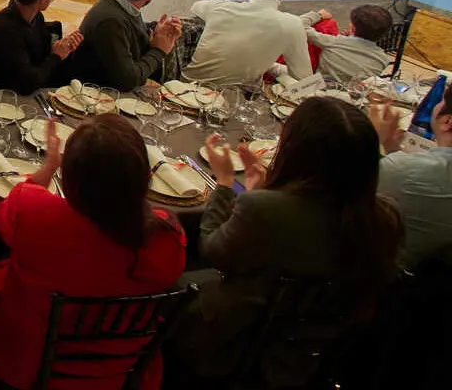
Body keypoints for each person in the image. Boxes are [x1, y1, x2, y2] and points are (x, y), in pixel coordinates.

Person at [169, 97, 403, 385]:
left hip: (231, 346)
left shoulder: (265, 210)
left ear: (296, 153)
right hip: (309, 357)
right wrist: (267, 193)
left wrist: (225, 184)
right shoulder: (385, 219)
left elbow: (211, 250)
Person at [0, 114, 186, 389]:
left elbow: (11, 210)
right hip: (119, 369)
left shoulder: (36, 212)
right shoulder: (168, 236)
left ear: (71, 179)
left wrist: (48, 166)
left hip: (31, 361)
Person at [184, 0, 312, 86]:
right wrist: (272, 67)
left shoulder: (218, 6)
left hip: (186, 85)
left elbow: (196, 7)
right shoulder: (292, 25)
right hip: (235, 94)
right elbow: (305, 79)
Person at [67, 0, 182, 91]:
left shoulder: (120, 5)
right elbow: (127, 80)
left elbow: (130, 39)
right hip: (96, 93)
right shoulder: (111, 21)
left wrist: (157, 35)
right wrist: (159, 50)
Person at [374, 85, 452, 269]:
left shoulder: (403, 171)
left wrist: (373, 141)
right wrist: (391, 148)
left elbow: (348, 190)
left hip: (386, 275)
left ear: (448, 121)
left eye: (441, 100)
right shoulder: (408, 170)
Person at [298, 5, 392, 82]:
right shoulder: (383, 60)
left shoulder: (333, 42)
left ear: (353, 28)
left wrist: (319, 15)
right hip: (354, 95)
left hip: (320, 90)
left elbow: (299, 24)